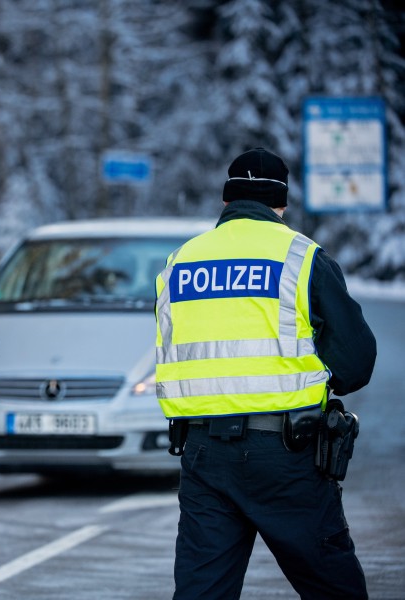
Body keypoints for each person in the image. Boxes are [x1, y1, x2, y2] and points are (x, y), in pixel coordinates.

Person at [154, 147, 376, 600]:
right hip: (286, 454)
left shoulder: (180, 262)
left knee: (203, 591)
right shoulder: (302, 256)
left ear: (226, 201)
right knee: (334, 588)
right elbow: (356, 360)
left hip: (202, 455)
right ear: (281, 204)